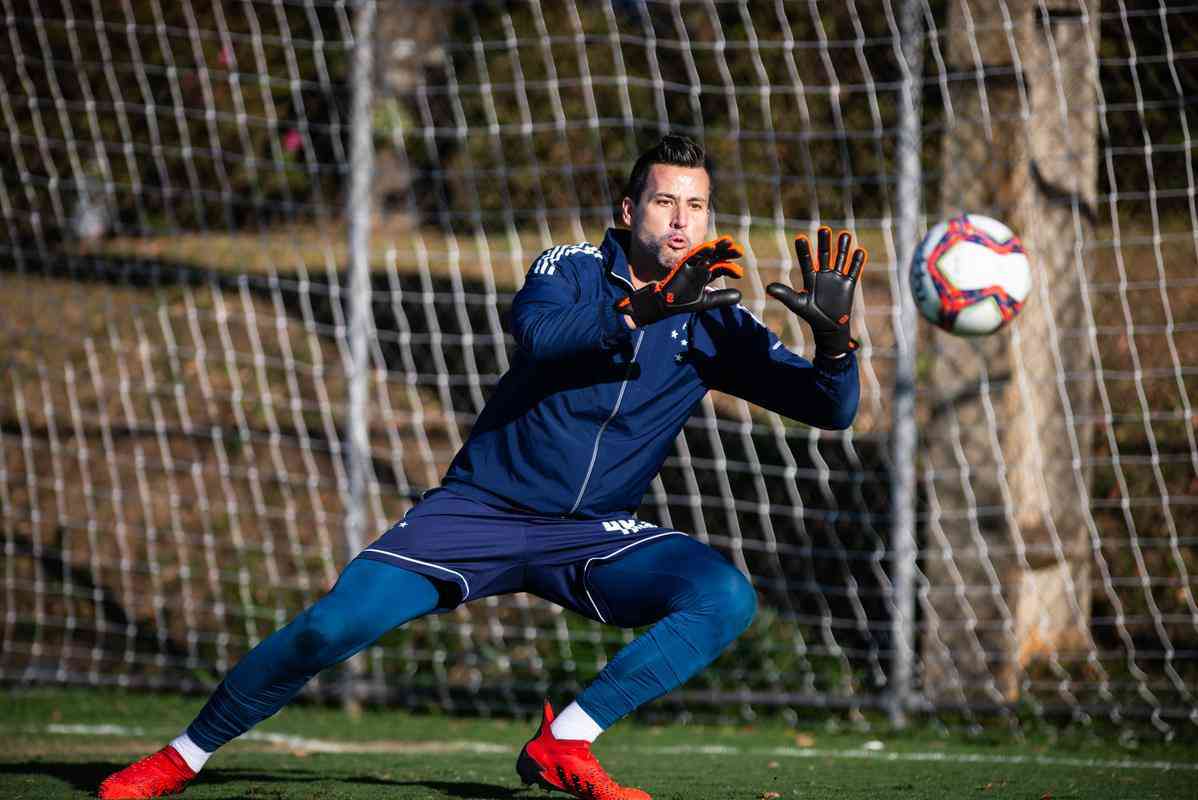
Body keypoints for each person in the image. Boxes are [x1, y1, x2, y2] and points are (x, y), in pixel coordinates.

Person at [98, 133, 865, 800]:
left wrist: (836, 347)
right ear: (628, 212)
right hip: (478, 513)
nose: (680, 219)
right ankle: (180, 757)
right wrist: (640, 309)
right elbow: (539, 336)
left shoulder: (716, 321)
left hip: (592, 535)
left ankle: (564, 741)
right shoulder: (568, 267)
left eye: (695, 206)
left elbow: (830, 411)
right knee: (329, 628)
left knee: (723, 596)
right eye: (664, 201)